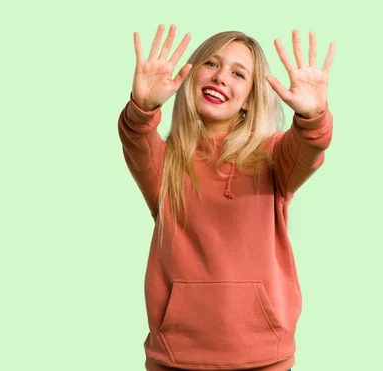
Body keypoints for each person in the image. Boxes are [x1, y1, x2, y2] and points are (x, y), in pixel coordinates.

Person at [118, 23, 335, 371]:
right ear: (189, 76)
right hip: (176, 358)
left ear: (249, 99)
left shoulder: (274, 156)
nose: (221, 77)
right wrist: (141, 108)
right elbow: (136, 137)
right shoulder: (166, 162)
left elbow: (309, 146)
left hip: (265, 357)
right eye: (211, 64)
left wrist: (312, 117)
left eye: (238, 73)